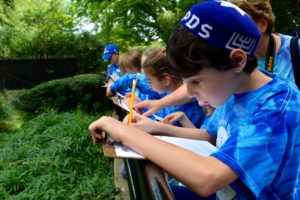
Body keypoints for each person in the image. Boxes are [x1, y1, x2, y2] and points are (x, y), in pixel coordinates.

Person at [89, 1, 300, 199]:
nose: (189, 93)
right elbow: (209, 135)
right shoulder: (233, 87)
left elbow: (208, 178)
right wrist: (155, 128)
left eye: (196, 81)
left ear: (237, 60)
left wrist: (123, 132)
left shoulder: (276, 106)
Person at [135, 0, 300, 119]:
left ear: (263, 23)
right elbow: (195, 80)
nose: (225, 28)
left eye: (240, 20)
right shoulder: (226, 62)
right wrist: (160, 104)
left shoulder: (293, 51)